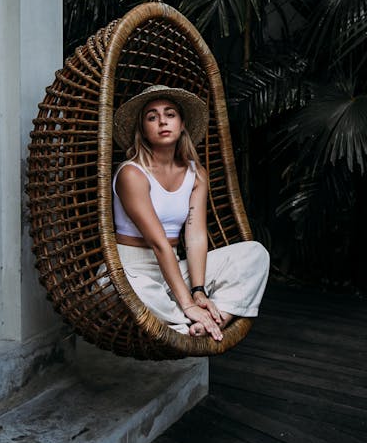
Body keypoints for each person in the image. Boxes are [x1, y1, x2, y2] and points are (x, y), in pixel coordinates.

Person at [112, 84, 270, 341]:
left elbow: (195, 236)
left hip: (173, 269)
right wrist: (188, 303)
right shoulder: (132, 173)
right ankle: (189, 319)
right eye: (152, 117)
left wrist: (197, 290)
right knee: (130, 292)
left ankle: (213, 319)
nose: (162, 121)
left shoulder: (196, 174)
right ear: (143, 129)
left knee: (255, 254)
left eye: (170, 114)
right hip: (132, 270)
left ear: (182, 123)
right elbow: (158, 242)